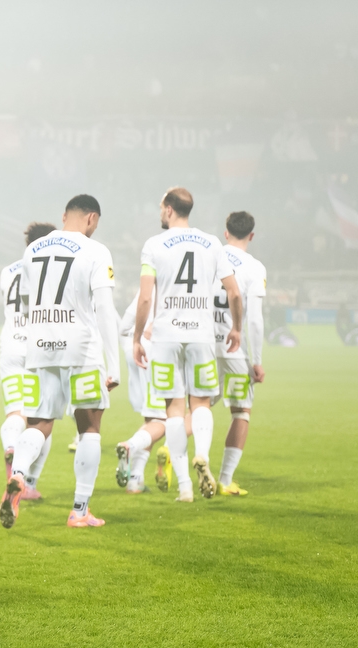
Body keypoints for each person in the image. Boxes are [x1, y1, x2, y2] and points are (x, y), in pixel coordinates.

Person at [0, 194, 120, 529]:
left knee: (38, 423)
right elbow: (105, 310)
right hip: (81, 349)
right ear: (92, 219)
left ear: (65, 215)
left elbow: (24, 306)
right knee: (89, 429)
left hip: (39, 349)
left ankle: (19, 475)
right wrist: (114, 366)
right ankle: (80, 511)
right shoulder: (96, 250)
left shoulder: (32, 250)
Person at [133, 187, 241, 502]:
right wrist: (236, 328)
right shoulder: (212, 243)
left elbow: (144, 297)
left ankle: (184, 488)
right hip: (201, 334)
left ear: (168, 209)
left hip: (165, 336)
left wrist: (137, 337)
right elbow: (233, 292)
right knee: (202, 403)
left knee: (174, 411)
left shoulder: (153, 245)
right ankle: (203, 455)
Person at [0, 222, 57, 501]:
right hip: (38, 347)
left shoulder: (7, 272)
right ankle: (29, 483)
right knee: (40, 420)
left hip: (10, 346)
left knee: (14, 412)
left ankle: (10, 444)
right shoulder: (51, 271)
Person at [213, 211, 267, 495]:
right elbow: (255, 319)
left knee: (197, 407)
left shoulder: (212, 256)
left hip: (205, 346)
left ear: (226, 232)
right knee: (241, 411)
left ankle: (174, 454)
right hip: (233, 350)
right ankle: (224, 480)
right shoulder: (255, 267)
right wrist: (256, 361)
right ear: (251, 235)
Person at [114, 290, 169, 494]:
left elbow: (125, 324)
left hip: (136, 351)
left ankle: (135, 480)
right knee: (162, 421)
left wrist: (132, 345)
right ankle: (130, 446)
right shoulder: (172, 284)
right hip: (157, 353)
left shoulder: (149, 287)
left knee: (151, 420)